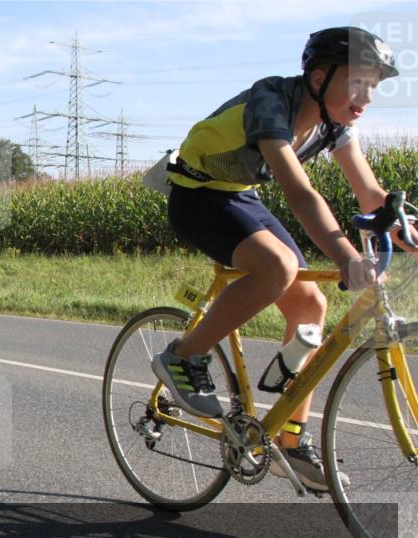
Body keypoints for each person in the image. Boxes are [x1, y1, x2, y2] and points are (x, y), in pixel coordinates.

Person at [151, 27, 410, 492]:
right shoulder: (271, 103)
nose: (367, 96)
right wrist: (347, 256)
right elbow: (299, 193)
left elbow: (370, 194)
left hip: (240, 194)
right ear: (318, 77)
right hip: (196, 195)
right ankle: (184, 356)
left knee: (311, 303)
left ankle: (291, 440)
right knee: (278, 267)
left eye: (373, 86)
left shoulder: (335, 124)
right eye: (357, 82)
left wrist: (404, 228)